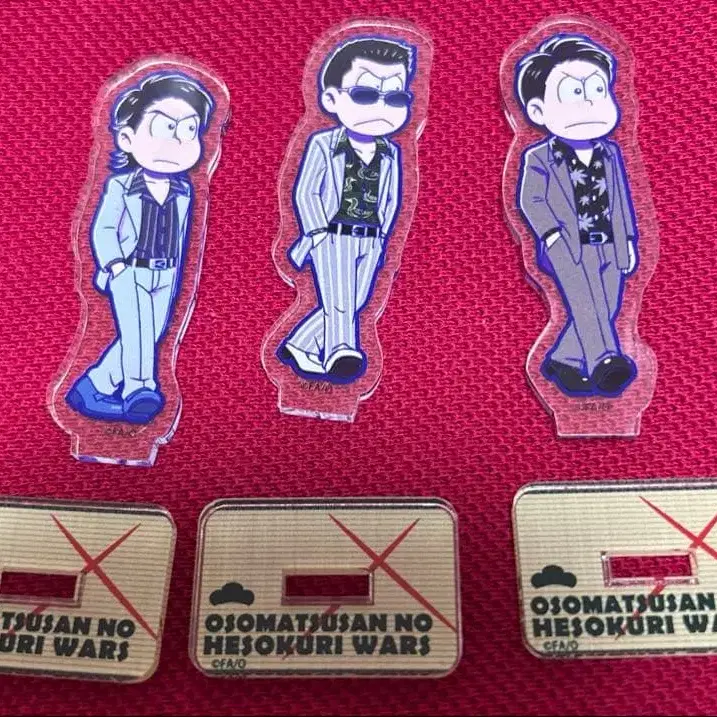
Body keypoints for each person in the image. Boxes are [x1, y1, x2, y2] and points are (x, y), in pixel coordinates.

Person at [66, 72, 214, 423]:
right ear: (127, 138)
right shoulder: (120, 185)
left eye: (189, 130)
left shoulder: (184, 191)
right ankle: (139, 389)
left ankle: (94, 385)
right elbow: (104, 228)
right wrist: (115, 265)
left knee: (153, 332)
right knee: (135, 331)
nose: (177, 142)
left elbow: (182, 235)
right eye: (165, 128)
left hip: (167, 272)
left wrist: (178, 272)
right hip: (130, 270)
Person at [278, 37, 416, 383]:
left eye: (395, 98)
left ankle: (299, 344)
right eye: (365, 94)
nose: (380, 107)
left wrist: (383, 238)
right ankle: (342, 352)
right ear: (331, 99)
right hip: (332, 235)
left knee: (355, 302)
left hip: (371, 237)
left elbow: (391, 199)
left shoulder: (391, 153)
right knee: (339, 300)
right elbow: (306, 190)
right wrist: (316, 232)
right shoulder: (323, 144)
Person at [516, 35, 638, 397]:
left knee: (609, 304)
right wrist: (551, 234)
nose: (589, 103)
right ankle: (606, 361)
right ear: (537, 111)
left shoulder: (610, 154)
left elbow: (621, 201)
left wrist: (629, 240)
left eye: (598, 90)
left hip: (610, 243)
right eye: (573, 93)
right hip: (567, 246)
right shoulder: (539, 157)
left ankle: (565, 360)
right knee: (586, 302)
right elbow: (530, 199)